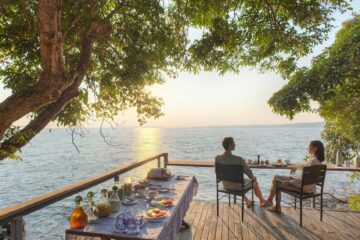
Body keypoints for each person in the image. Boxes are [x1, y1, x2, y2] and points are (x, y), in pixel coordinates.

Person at [261, 140, 325, 212]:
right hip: (307, 187)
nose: (307, 148)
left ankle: (273, 204)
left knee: (276, 182)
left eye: (309, 146)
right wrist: (296, 167)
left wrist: (290, 182)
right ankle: (271, 202)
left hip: (302, 188)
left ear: (315, 148)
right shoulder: (317, 161)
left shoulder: (313, 161)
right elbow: (305, 166)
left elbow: (302, 180)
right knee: (276, 177)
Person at [215, 137, 266, 207]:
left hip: (225, 185)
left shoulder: (218, 158)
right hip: (237, 187)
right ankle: (262, 200)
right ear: (230, 146)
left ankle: (247, 201)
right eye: (234, 143)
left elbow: (216, 172)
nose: (235, 145)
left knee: (239, 181)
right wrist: (253, 178)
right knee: (254, 182)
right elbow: (248, 172)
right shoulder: (239, 159)